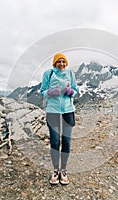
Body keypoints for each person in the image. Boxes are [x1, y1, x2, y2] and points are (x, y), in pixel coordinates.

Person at [40, 53, 78, 185]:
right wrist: (51, 93)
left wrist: (71, 92)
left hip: (68, 111)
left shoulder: (70, 74)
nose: (61, 64)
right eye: (59, 61)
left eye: (63, 62)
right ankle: (55, 170)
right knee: (55, 142)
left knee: (66, 142)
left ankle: (64, 170)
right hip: (53, 112)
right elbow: (42, 91)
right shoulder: (48, 74)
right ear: (54, 63)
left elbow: (76, 90)